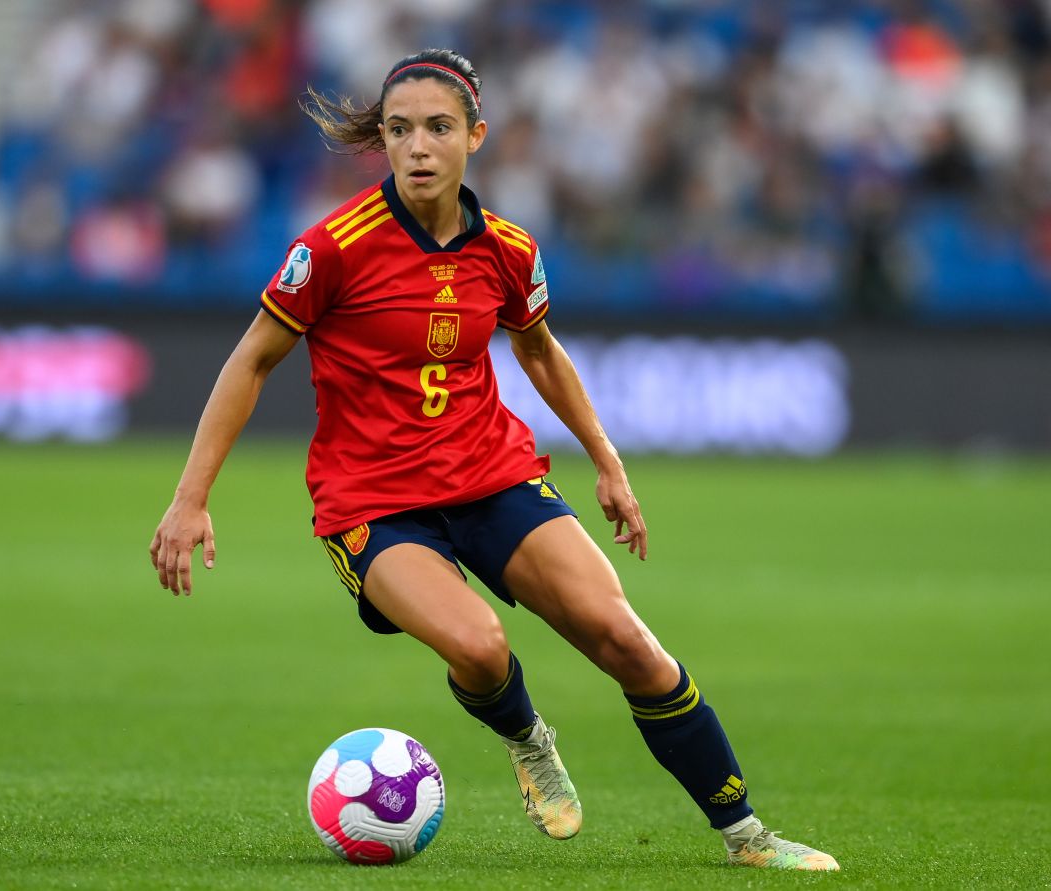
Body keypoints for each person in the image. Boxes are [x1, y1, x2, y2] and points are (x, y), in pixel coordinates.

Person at [148, 48, 839, 872]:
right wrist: (191, 498)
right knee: (479, 647)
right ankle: (527, 735)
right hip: (372, 503)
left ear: (476, 135)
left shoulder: (509, 250)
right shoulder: (335, 247)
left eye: (438, 128)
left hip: (494, 475)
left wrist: (607, 460)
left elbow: (539, 350)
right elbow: (251, 361)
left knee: (626, 639)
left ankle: (747, 835)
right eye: (400, 130)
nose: (417, 146)